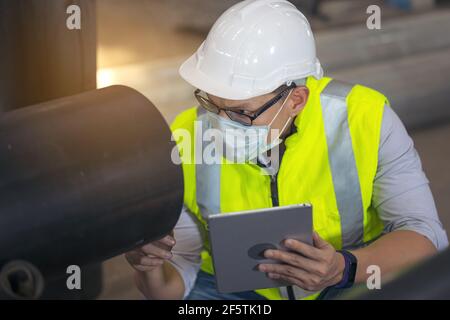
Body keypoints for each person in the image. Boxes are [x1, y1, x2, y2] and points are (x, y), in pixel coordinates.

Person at [125, 0, 448, 300]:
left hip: (349, 280)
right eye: (211, 102)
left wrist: (343, 267)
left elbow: (424, 237)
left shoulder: (366, 119)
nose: (220, 123)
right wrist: (152, 267)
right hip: (240, 296)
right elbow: (173, 289)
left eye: (240, 112)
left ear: (296, 100)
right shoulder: (185, 136)